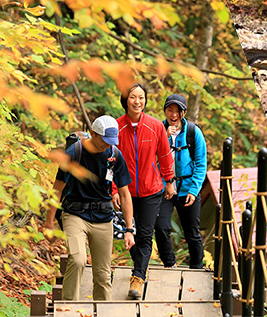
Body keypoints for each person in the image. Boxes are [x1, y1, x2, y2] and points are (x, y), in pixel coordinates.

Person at [45, 115, 135, 301]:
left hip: (103, 217)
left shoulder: (114, 155)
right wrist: (49, 222)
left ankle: (102, 311)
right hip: (75, 214)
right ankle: (69, 308)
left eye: (111, 141)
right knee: (77, 260)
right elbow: (57, 190)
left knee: (102, 274)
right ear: (93, 133)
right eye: (105, 140)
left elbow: (125, 195)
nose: (107, 145)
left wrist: (129, 229)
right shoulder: (74, 153)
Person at [112, 83, 175, 299]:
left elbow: (165, 155)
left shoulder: (156, 126)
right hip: (125, 192)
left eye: (141, 97)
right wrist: (113, 190)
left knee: (146, 234)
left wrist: (169, 181)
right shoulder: (117, 128)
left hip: (151, 190)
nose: (137, 101)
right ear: (125, 100)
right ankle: (141, 264)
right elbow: (109, 161)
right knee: (129, 234)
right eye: (132, 97)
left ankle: (137, 278)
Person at [154, 94, 207, 269]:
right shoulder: (158, 130)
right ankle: (170, 264)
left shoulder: (193, 132)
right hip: (164, 187)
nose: (174, 114)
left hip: (188, 188)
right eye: (170, 110)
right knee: (161, 227)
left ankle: (196, 268)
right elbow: (150, 160)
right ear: (165, 111)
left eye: (178, 111)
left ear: (183, 113)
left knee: (192, 232)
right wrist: (164, 137)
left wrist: (194, 190)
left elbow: (201, 163)